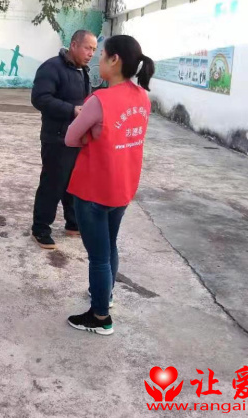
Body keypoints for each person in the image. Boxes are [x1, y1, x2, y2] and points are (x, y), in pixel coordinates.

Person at [64, 35, 155, 335]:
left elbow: (70, 138)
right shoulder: (142, 97)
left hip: (94, 188)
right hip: (122, 186)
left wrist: (90, 135)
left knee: (99, 257)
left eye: (102, 54)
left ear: (115, 60)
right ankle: (106, 294)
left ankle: (100, 316)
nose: (98, 59)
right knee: (109, 245)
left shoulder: (99, 100)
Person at [30, 30, 97, 249]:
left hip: (77, 137)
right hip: (56, 138)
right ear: (74, 45)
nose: (91, 54)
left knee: (74, 183)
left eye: (94, 50)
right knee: (53, 184)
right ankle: (40, 229)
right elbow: (40, 98)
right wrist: (72, 110)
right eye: (87, 48)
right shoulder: (52, 67)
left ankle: (73, 223)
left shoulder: (82, 70)